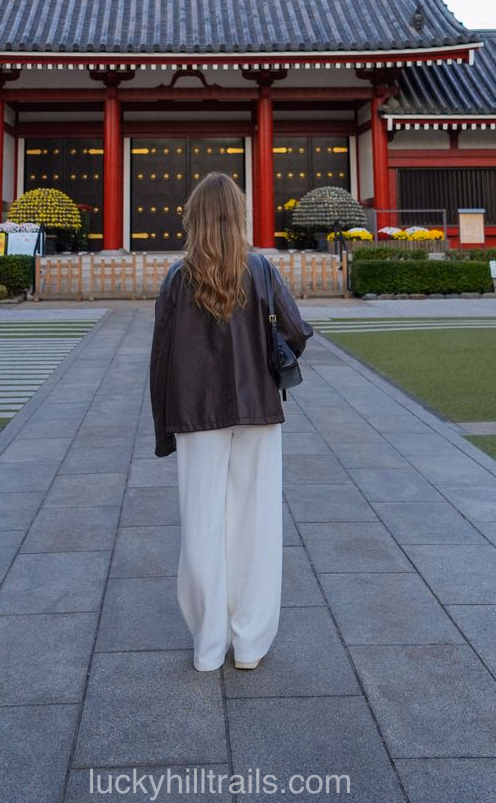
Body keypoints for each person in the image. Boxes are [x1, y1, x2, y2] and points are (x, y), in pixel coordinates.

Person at [149, 171, 314, 673]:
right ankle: (249, 644)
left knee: (201, 523)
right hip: (259, 408)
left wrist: (165, 429)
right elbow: (296, 332)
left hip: (197, 413)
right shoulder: (261, 270)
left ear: (193, 218)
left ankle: (207, 643)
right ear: (239, 215)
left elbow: (161, 358)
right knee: (256, 524)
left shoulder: (178, 278)